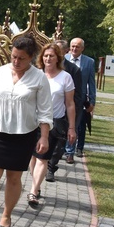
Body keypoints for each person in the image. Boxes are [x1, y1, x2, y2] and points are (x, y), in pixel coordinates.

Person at [0, 36, 52, 227]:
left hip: (24, 133)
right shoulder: (0, 72)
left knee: (13, 177)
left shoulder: (39, 78)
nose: (16, 62)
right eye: (14, 56)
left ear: (31, 58)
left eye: (21, 58)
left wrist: (44, 137)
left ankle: (6, 214)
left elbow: (44, 110)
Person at [27, 43, 76, 207]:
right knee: (33, 157)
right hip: (32, 122)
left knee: (43, 157)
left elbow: (70, 104)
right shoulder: (35, 74)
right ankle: (37, 185)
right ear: (41, 58)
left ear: (58, 58)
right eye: (46, 56)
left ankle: (33, 191)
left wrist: (71, 127)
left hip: (54, 123)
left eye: (52, 56)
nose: (48, 58)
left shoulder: (65, 77)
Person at [46, 40, 82, 182]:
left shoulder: (73, 70)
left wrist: (71, 120)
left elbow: (76, 97)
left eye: (59, 51)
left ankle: (51, 167)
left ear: (65, 52)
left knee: (59, 145)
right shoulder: (43, 68)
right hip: (44, 115)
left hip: (63, 116)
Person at [66, 38, 96, 159]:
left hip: (79, 99)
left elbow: (91, 83)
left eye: (77, 46)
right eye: (72, 46)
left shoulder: (89, 62)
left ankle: (70, 152)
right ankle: (62, 149)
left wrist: (92, 101)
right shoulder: (63, 59)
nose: (74, 49)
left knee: (75, 125)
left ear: (82, 48)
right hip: (63, 98)